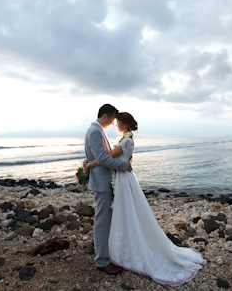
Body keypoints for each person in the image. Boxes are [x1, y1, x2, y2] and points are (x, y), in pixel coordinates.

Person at [87, 112, 206, 286]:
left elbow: (105, 158)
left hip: (123, 179)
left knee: (125, 210)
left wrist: (89, 163)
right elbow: (112, 157)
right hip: (122, 179)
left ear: (125, 124)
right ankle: (122, 246)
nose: (116, 124)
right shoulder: (127, 139)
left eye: (118, 122)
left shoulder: (126, 141)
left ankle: (127, 248)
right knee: (125, 210)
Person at [84, 104, 132, 275]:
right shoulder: (95, 131)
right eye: (112, 119)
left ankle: (106, 254)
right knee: (102, 221)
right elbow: (103, 159)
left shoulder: (94, 130)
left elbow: (97, 156)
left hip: (104, 180)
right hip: (102, 182)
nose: (113, 123)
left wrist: (88, 162)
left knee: (105, 219)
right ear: (105, 116)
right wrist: (123, 165)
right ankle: (102, 261)